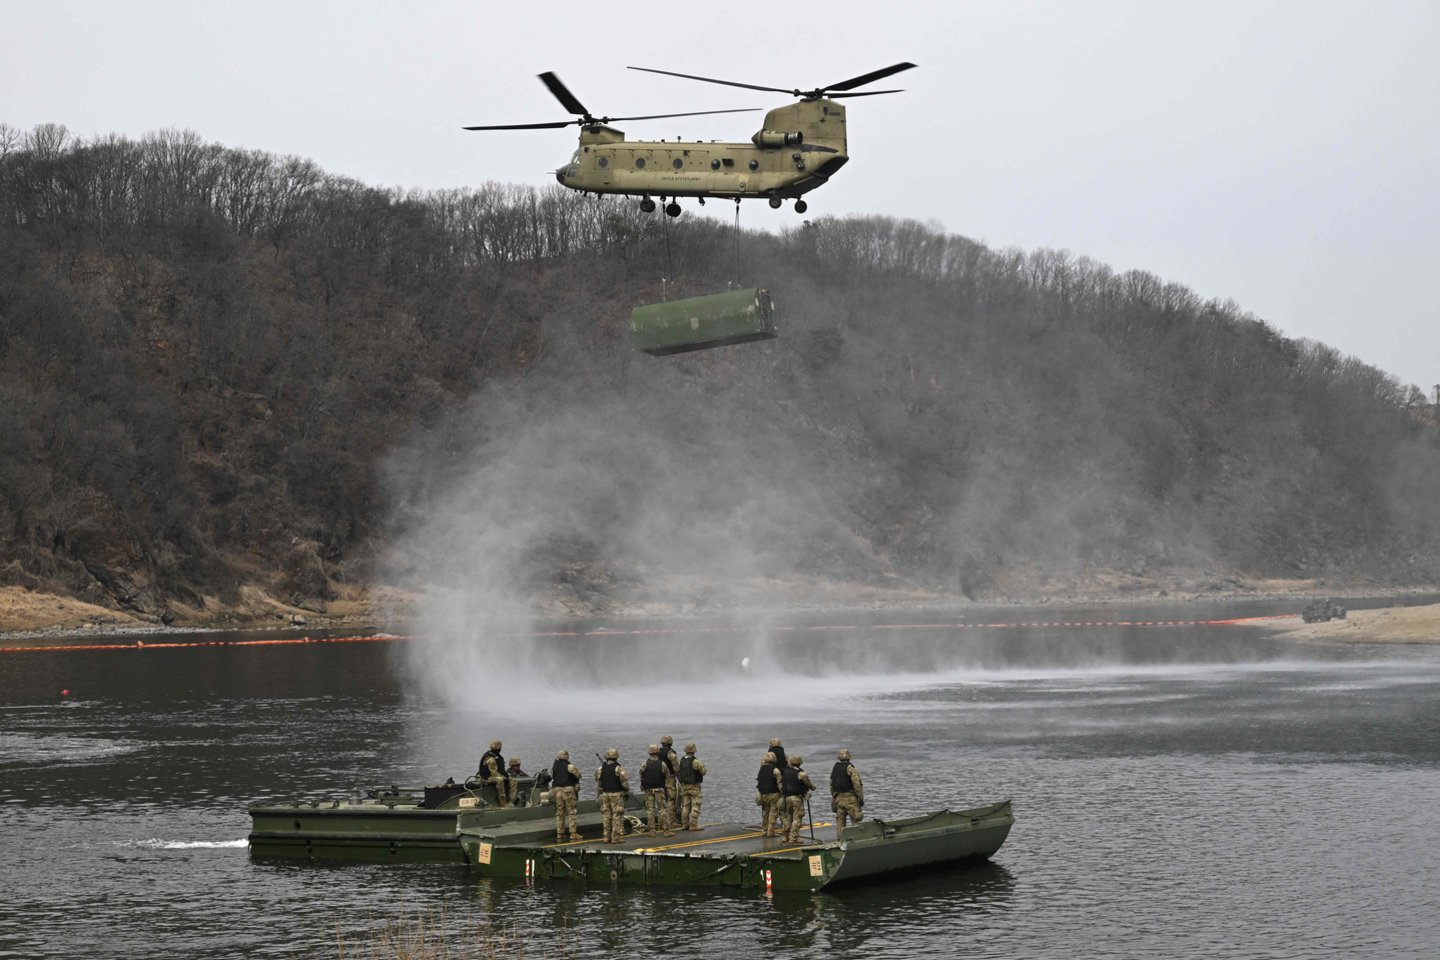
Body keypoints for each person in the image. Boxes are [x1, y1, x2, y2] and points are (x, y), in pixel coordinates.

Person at [595, 748, 630, 843]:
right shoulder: (619, 769)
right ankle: (615, 838)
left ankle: (606, 837)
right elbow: (625, 784)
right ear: (616, 757)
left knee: (606, 816)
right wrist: (626, 791)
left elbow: (599, 784)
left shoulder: (600, 769)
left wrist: (599, 794)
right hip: (616, 795)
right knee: (617, 815)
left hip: (605, 794)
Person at [639, 744, 674, 836]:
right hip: (659, 789)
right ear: (657, 752)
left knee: (650, 810)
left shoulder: (644, 763)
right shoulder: (662, 764)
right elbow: (667, 775)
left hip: (648, 789)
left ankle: (652, 831)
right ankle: (666, 830)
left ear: (649, 753)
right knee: (662, 809)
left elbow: (641, 774)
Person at [829, 748, 864, 838]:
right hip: (850, 798)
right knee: (856, 819)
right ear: (849, 757)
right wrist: (861, 798)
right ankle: (857, 838)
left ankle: (840, 838)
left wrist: (834, 796)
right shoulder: (851, 769)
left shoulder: (835, 768)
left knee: (840, 821)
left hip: (838, 798)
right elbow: (857, 785)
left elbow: (831, 783)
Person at [780, 754, 814, 843]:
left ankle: (785, 836)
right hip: (796, 798)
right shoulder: (800, 773)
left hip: (786, 798)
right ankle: (794, 838)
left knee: (788, 817)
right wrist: (812, 787)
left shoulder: (785, 772)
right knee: (797, 818)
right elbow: (808, 783)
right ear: (800, 763)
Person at [551, 750, 583, 841]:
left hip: (557, 790)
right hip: (568, 790)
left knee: (560, 812)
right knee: (571, 811)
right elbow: (579, 775)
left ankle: (560, 833)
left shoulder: (554, 766)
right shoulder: (570, 766)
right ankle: (573, 833)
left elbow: (552, 777)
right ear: (566, 756)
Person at [676, 742, 707, 831]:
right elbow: (703, 772)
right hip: (694, 787)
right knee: (695, 805)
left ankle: (685, 824)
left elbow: (678, 772)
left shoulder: (681, 761)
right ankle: (693, 824)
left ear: (685, 750)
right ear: (694, 750)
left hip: (684, 786)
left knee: (685, 806)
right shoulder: (696, 761)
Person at [756, 750, 783, 838]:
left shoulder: (761, 769)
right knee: (773, 814)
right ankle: (771, 832)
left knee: (765, 813)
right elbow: (780, 784)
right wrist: (783, 793)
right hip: (774, 794)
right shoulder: (775, 770)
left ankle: (764, 830)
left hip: (763, 794)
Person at [477, 739, 509, 807]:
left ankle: (512, 800)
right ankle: (502, 801)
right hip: (487, 777)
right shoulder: (491, 759)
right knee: (500, 780)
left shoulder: (496, 756)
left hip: (493, 775)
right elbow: (494, 773)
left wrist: (507, 776)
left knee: (513, 781)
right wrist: (504, 777)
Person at [658, 735, 680, 821]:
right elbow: (676, 766)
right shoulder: (670, 753)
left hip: (659, 779)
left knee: (661, 800)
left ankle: (662, 821)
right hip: (670, 778)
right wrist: (678, 775)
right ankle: (671, 820)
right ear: (670, 743)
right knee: (671, 799)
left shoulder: (657, 752)